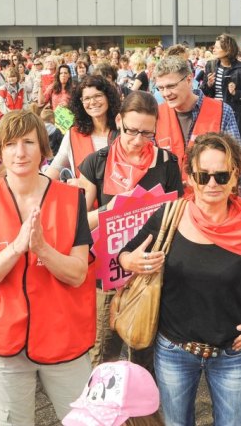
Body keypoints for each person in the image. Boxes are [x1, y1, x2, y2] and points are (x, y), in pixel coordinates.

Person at [120, 133, 241, 425]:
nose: (211, 184)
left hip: (232, 354)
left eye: (221, 176)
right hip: (174, 351)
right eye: (203, 175)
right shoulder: (170, 214)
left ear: (235, 177)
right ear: (190, 178)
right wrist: (130, 260)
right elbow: (125, 253)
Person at [0, 110, 96, 424]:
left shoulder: (72, 200)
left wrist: (42, 249)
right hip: (5, 344)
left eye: (29, 143)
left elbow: (78, 273)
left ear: (43, 149)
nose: (20, 152)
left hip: (65, 339)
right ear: (0, 151)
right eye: (12, 144)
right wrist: (16, 249)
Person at [77, 91, 185, 366]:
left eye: (147, 134)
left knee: (143, 351)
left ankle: (142, 408)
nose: (138, 141)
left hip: (148, 272)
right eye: (131, 131)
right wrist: (112, 211)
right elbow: (75, 220)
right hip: (106, 271)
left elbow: (177, 215)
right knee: (103, 356)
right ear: (118, 120)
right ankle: (106, 408)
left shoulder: (166, 164)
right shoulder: (97, 162)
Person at [152, 54, 241, 178]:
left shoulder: (223, 111)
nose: (166, 93)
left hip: (210, 191)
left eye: (171, 86)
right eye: (160, 88)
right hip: (169, 194)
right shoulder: (155, 115)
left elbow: (235, 161)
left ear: (189, 80)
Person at [46, 75, 119, 182]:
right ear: (80, 103)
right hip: (85, 198)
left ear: (108, 97)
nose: (93, 102)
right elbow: (56, 168)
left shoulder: (123, 132)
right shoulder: (73, 135)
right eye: (87, 98)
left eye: (98, 96)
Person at [200, 33, 241, 147]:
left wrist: (235, 92)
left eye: (217, 47)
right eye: (214, 46)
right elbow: (203, 92)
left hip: (234, 113)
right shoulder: (211, 65)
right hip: (214, 112)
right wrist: (208, 84)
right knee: (214, 146)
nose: (214, 49)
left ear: (228, 50)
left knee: (233, 147)